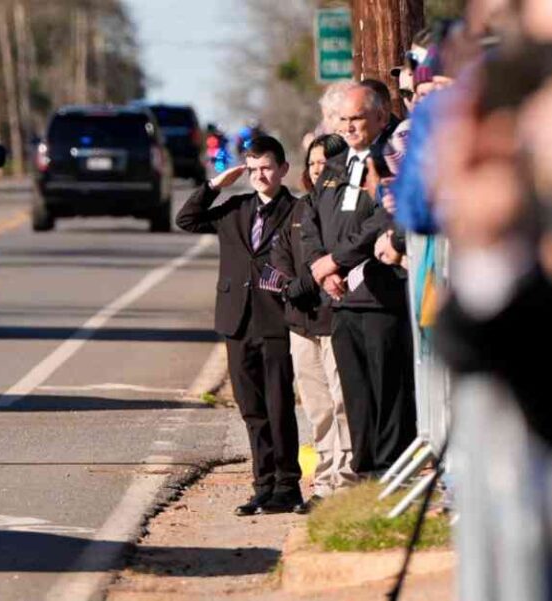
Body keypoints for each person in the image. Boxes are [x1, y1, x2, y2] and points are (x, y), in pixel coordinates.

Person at [177, 136, 304, 515]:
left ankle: (288, 485)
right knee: (251, 408)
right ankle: (262, 484)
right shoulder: (235, 208)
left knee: (280, 405)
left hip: (276, 320)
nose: (260, 175)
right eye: (253, 169)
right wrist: (216, 185)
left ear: (283, 169)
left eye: (266, 167)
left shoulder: (296, 212)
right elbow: (187, 219)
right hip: (237, 320)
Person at [303, 85, 416, 478]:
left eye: (358, 119)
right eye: (344, 120)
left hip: (380, 295)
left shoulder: (392, 162)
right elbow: (311, 218)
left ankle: (390, 473)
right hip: (341, 300)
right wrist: (322, 265)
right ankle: (365, 472)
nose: (350, 127)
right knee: (356, 395)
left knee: (389, 392)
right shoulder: (335, 166)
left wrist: (337, 259)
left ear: (381, 118)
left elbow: (383, 220)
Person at [269, 133, 357, 505]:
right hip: (301, 322)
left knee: (343, 405)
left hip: (335, 316)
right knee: (318, 407)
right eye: (313, 163)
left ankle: (347, 478)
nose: (318, 169)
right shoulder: (300, 208)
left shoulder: (349, 204)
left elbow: (342, 253)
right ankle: (323, 480)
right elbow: (281, 255)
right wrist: (291, 285)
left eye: (326, 162)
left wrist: (307, 282)